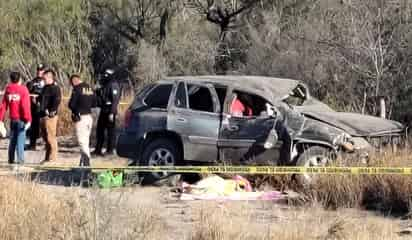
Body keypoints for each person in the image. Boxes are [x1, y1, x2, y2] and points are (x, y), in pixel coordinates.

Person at [0, 72, 32, 164]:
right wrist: (28, 119)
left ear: (11, 79)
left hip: (12, 119)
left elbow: (3, 106)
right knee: (20, 142)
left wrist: (1, 119)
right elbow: (25, 106)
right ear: (20, 79)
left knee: (12, 141)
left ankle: (11, 160)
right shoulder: (23, 90)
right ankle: (20, 161)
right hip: (21, 119)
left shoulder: (8, 89)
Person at [68, 74, 96, 166]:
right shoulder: (89, 88)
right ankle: (82, 163)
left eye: (72, 84)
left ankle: (87, 164)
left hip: (81, 118)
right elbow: (95, 102)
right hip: (89, 117)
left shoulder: (77, 89)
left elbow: (71, 104)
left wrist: (76, 110)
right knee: (86, 141)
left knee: (82, 142)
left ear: (74, 81)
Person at [92, 69, 121, 156]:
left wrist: (112, 113)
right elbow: (102, 96)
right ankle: (98, 150)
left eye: (107, 74)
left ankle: (110, 150)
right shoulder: (105, 85)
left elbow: (115, 100)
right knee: (100, 130)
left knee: (111, 132)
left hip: (110, 111)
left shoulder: (114, 85)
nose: (105, 76)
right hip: (103, 110)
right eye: (104, 74)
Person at [39, 69, 61, 164]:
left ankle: (54, 158)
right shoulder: (45, 88)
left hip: (51, 116)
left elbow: (57, 100)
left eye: (45, 77)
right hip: (43, 115)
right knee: (45, 138)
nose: (44, 79)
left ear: (50, 77)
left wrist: (52, 110)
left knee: (51, 137)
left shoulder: (55, 88)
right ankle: (47, 157)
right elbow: (42, 98)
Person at [26, 64, 46, 150]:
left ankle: (47, 145)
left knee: (46, 127)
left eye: (41, 70)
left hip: (44, 107)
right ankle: (32, 144)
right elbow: (27, 93)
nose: (39, 72)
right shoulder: (32, 82)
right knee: (33, 126)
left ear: (44, 71)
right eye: (38, 70)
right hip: (34, 108)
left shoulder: (47, 82)